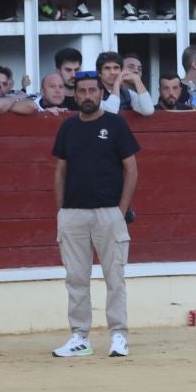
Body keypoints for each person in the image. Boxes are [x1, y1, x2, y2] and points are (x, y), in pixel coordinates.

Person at [50, 70, 139, 359]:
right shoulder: (67, 128)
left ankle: (118, 336)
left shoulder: (115, 125)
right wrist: (63, 210)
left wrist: (120, 211)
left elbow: (132, 169)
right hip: (73, 214)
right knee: (76, 278)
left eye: (92, 91)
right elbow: (60, 171)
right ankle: (79, 337)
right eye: (82, 91)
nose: (87, 96)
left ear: (101, 93)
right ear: (74, 95)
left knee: (115, 278)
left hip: (107, 213)